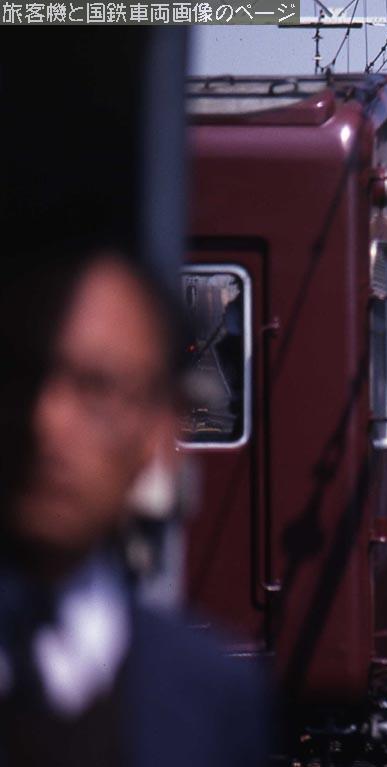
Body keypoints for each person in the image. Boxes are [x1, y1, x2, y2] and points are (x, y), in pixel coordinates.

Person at [0, 247, 270, 767]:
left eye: (97, 388)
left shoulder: (219, 702)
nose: (47, 422)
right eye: (21, 377)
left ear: (160, 432)